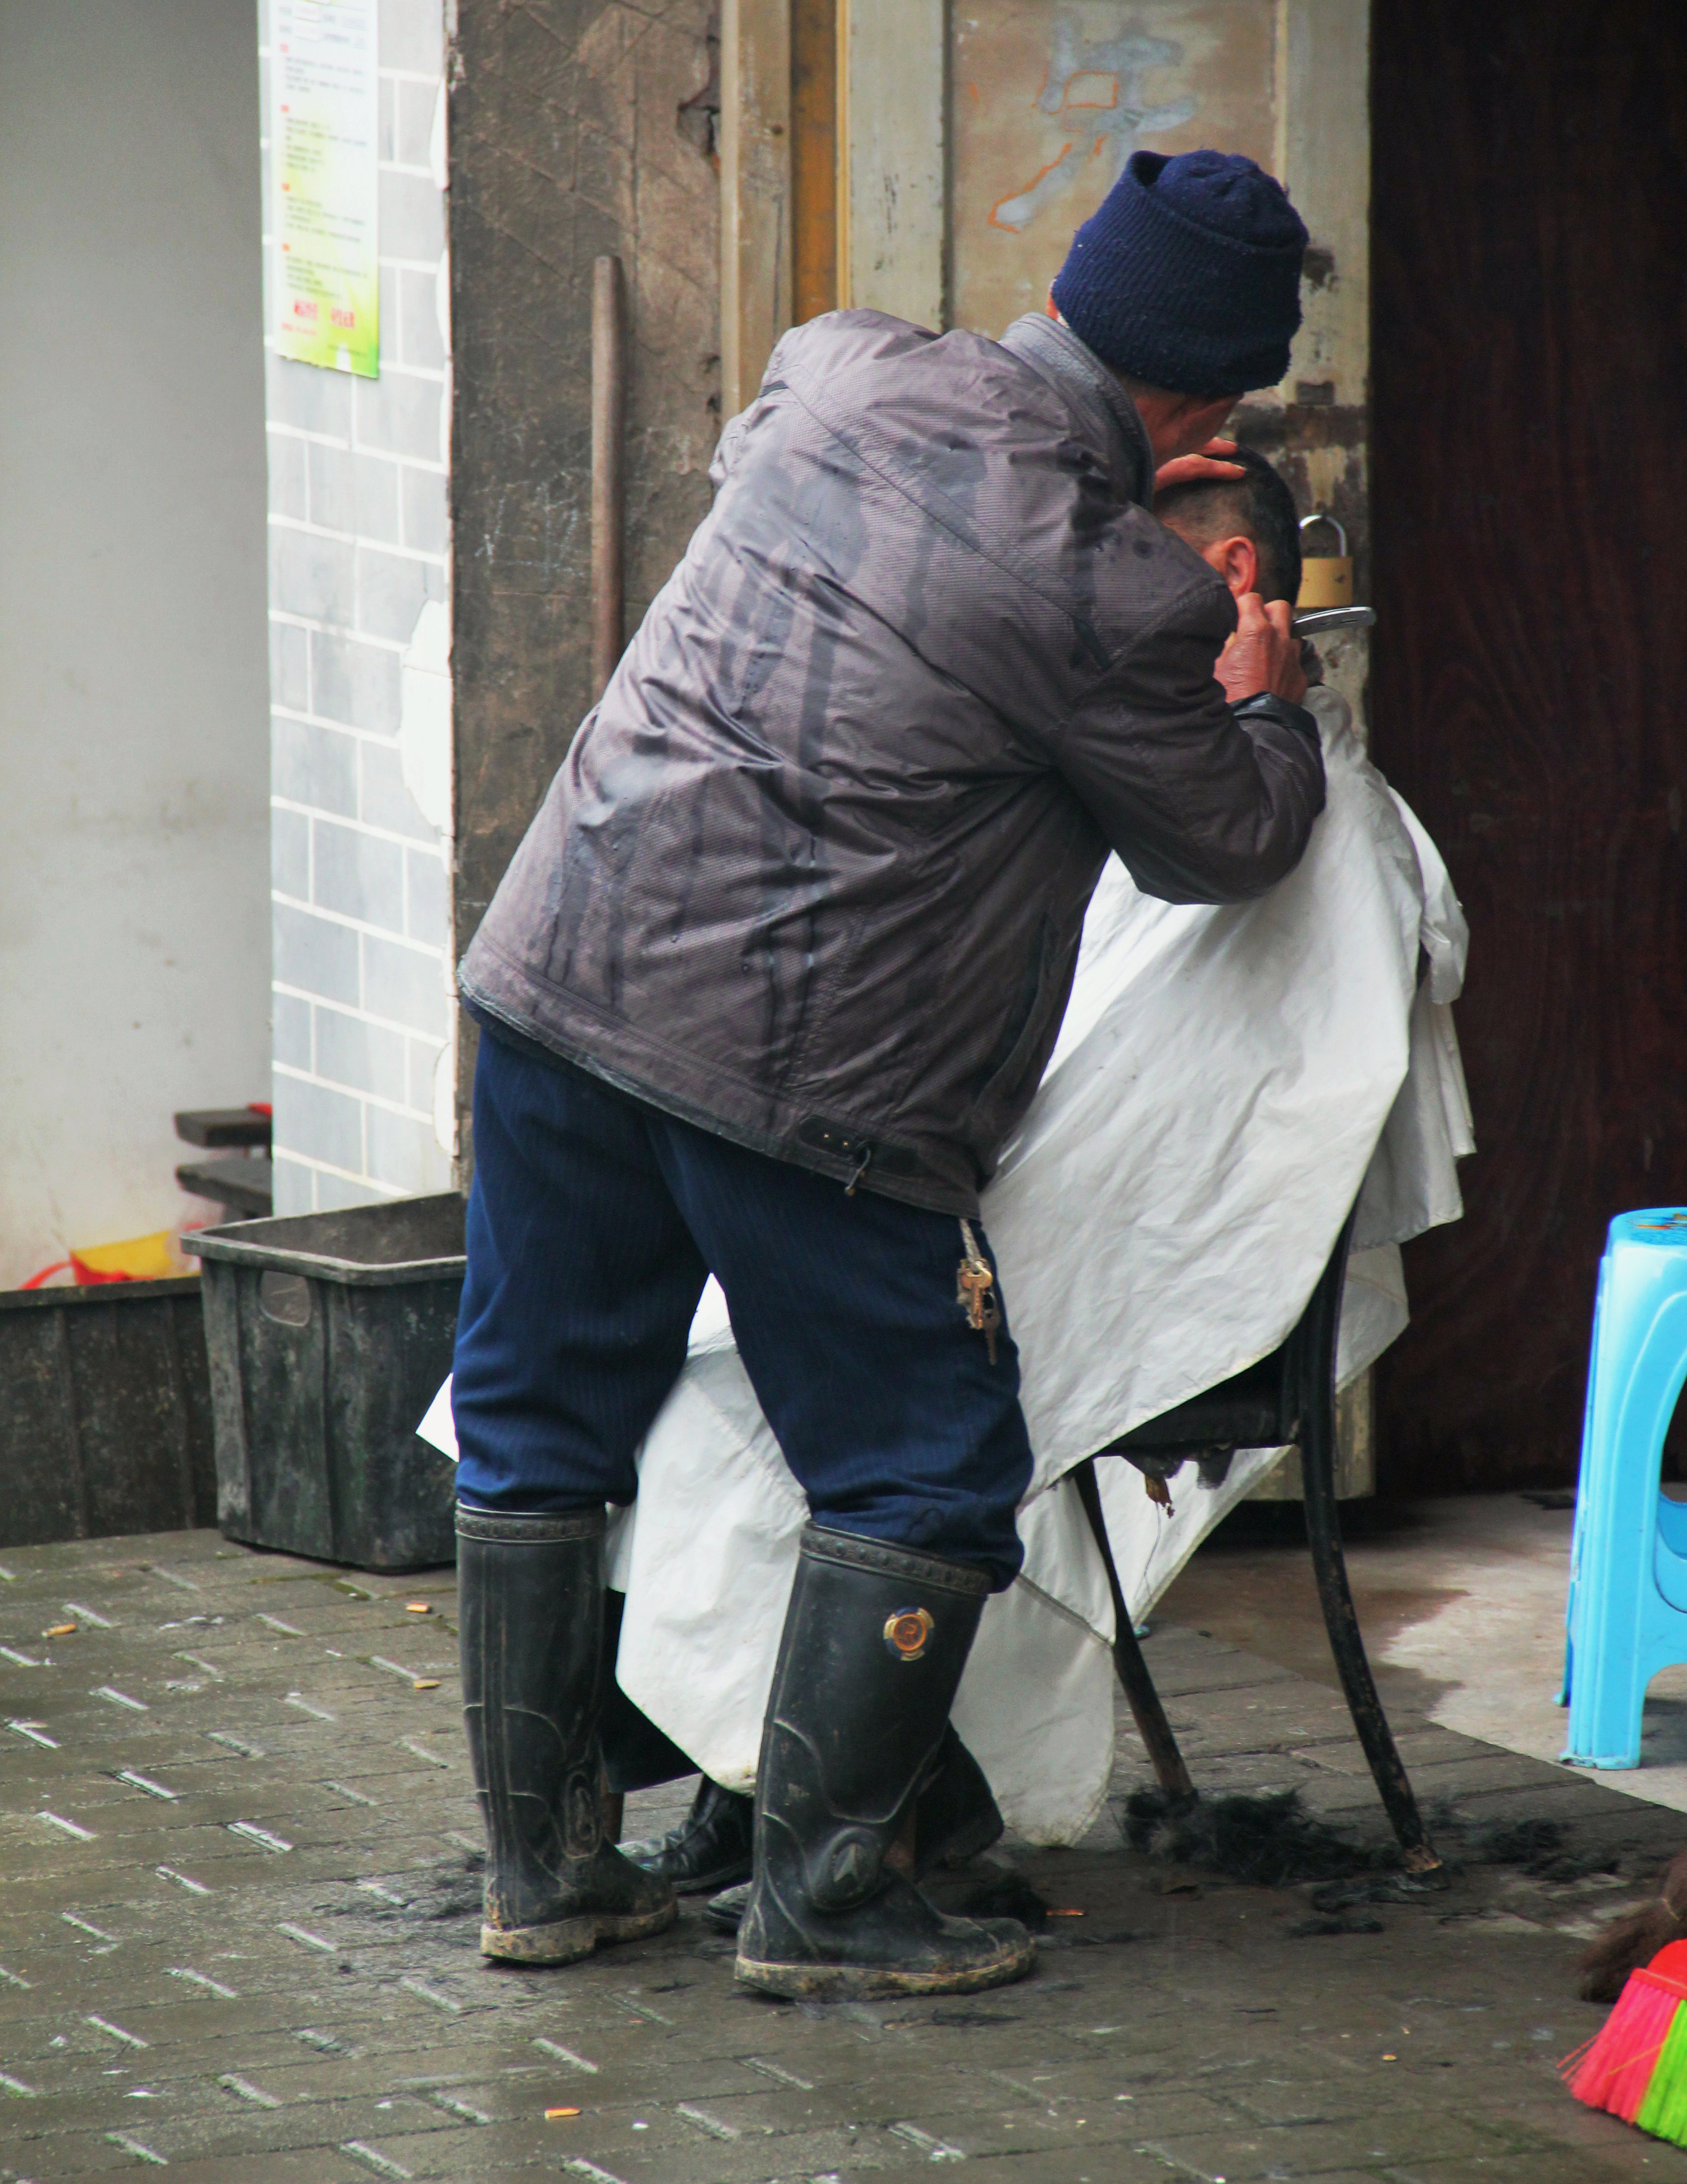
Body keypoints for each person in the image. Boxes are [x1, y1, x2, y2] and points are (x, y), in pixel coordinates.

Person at [450, 146, 1326, 2000]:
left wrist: (1085, 468)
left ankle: (542, 1876)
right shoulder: (1119, 597)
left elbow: (874, 521)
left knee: (539, 1416)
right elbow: (1223, 848)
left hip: (558, 968)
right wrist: (1261, 693)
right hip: (797, 1069)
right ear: (1213, 406)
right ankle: (825, 1903)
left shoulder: (831, 365)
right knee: (925, 1466)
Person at [606, 436, 1316, 1911]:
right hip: (935, 1164)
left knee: (725, 1385)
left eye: (1123, 556)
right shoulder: (1086, 722)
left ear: (1230, 578)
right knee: (652, 1362)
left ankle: (834, 1825)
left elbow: (1231, 1117)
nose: (1081, 596)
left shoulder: (1303, 811)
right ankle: (777, 1790)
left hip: (1061, 1230)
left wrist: (1271, 736)